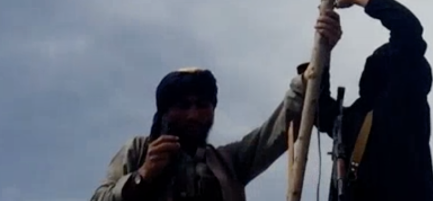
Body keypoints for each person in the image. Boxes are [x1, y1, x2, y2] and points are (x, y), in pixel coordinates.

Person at [89, 11, 343, 201]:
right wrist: (143, 175)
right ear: (165, 111)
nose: (193, 115)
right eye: (183, 105)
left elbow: (283, 124)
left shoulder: (227, 161)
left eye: (202, 105)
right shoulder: (138, 150)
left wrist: (319, 60)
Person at [316, 0, 433, 201]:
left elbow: (408, 29)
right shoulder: (353, 119)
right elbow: (318, 110)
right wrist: (325, 49)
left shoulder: (406, 101)